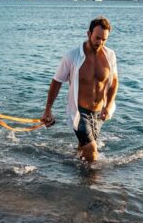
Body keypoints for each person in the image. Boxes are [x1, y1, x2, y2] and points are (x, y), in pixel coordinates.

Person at [41, 17, 119, 164]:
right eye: (97, 38)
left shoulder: (110, 56)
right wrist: (48, 110)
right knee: (92, 150)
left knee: (83, 151)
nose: (100, 42)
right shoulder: (72, 57)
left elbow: (114, 82)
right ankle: (93, 185)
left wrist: (109, 105)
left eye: (104, 39)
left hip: (99, 114)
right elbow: (56, 82)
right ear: (88, 34)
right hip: (79, 112)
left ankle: (78, 182)